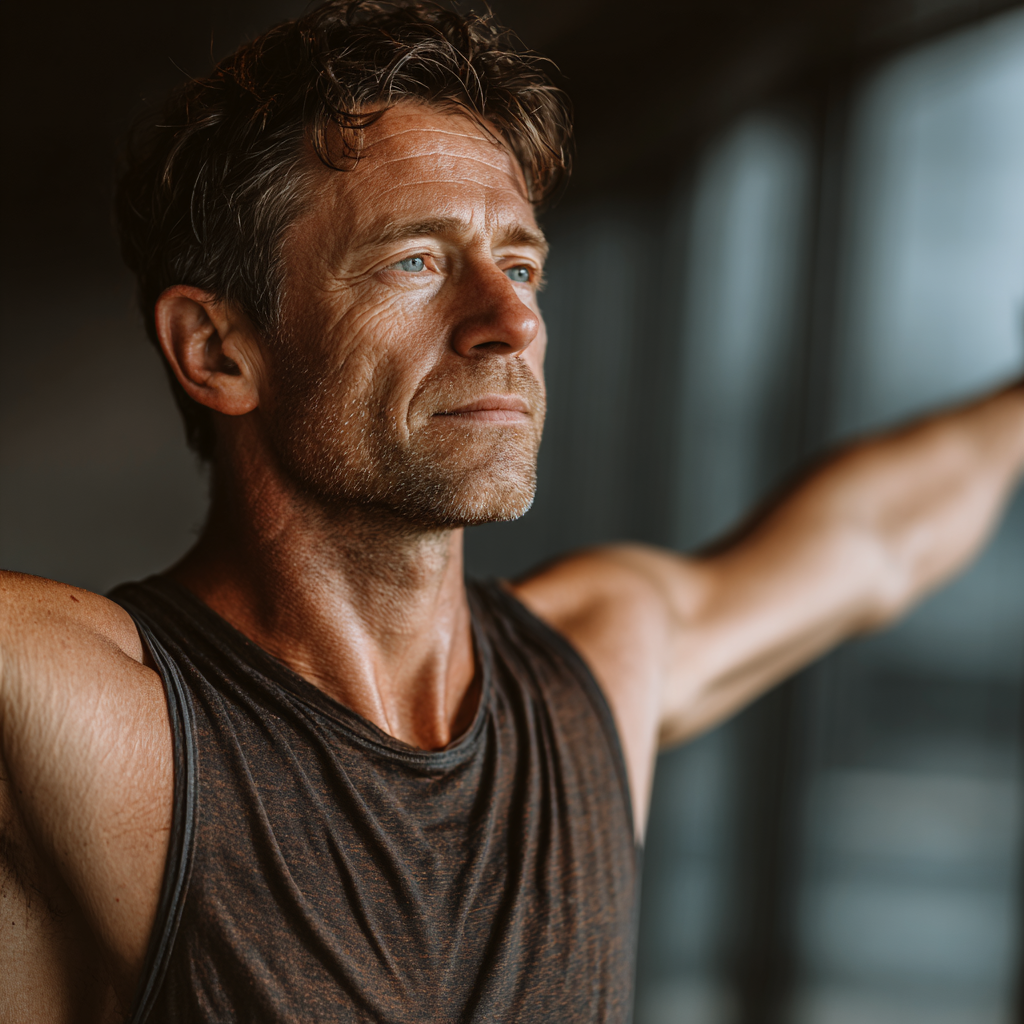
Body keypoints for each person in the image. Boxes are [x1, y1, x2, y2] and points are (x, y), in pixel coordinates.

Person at [1, 1, 1022, 1021]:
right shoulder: (75, 702)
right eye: (417, 261)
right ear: (219, 351)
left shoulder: (596, 667)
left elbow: (879, 539)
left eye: (521, 263)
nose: (513, 319)